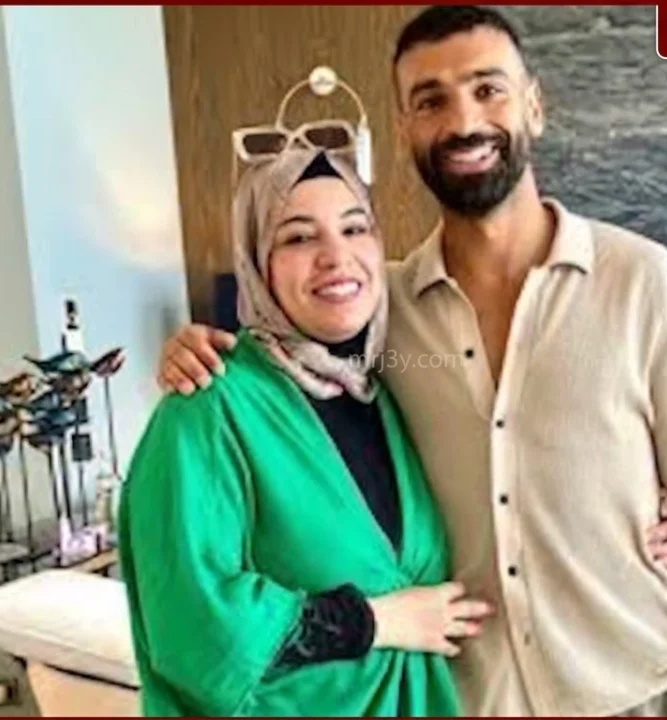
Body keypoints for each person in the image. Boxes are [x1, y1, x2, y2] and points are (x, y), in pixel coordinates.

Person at [158, 7, 667, 716]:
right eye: (430, 101)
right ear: (404, 130)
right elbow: (284, 358)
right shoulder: (377, 316)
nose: (464, 121)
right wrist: (189, 349)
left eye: (487, 89)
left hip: (638, 694)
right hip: (466, 700)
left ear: (534, 105)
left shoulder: (645, 282)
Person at [119, 148, 496, 717]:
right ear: (257, 264)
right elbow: (192, 627)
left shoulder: (388, 388)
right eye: (298, 237)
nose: (335, 256)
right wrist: (377, 622)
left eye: (355, 228)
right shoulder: (209, 406)